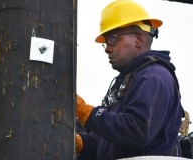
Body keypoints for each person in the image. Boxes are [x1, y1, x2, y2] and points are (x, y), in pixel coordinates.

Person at [75, 0, 184, 159]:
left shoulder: (154, 77)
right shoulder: (128, 81)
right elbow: (108, 144)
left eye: (112, 39)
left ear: (139, 39)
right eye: (105, 43)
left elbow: (137, 131)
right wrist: (81, 143)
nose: (107, 48)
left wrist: (88, 113)